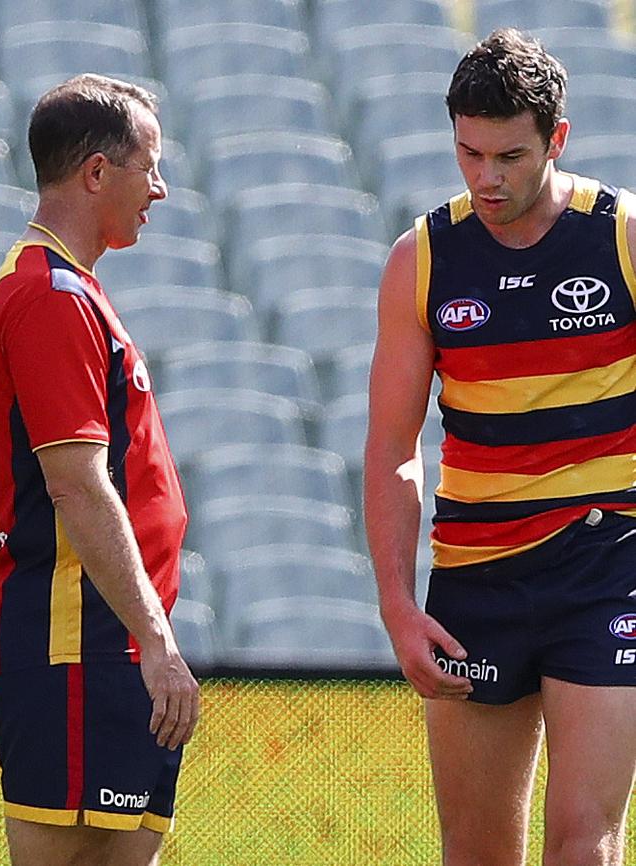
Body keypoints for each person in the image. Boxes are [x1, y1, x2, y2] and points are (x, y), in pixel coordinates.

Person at [364, 28, 636, 866]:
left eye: (510, 155)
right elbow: (392, 448)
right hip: (477, 576)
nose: (487, 177)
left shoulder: (622, 236)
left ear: (558, 138)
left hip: (606, 564)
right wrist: (398, 608)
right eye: (469, 153)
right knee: (477, 852)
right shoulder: (423, 258)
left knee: (583, 844)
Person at [0, 74, 200, 866]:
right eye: (150, 166)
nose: (162, 188)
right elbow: (76, 483)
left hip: (104, 642)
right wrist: (156, 642)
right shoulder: (48, 296)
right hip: (75, 641)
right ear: (98, 172)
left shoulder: (71, 291)